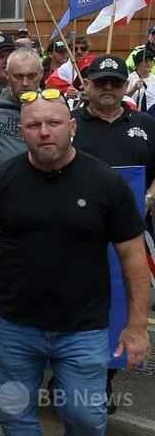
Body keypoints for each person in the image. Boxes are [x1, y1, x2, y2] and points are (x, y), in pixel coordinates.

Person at [0, 89, 151, 435]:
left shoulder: (106, 183)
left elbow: (133, 257)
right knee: (15, 417)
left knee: (86, 419)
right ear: (21, 131)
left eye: (54, 123)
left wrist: (138, 325)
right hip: (14, 326)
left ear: (72, 127)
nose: (44, 132)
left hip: (82, 329)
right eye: (34, 125)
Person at [71, 54, 155, 412]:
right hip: (74, 232)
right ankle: (69, 371)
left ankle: (104, 375)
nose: (108, 88)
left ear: (125, 87)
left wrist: (149, 196)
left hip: (129, 233)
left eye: (115, 82)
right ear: (87, 84)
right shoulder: (69, 123)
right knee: (75, 300)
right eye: (101, 82)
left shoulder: (146, 124)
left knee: (122, 299)